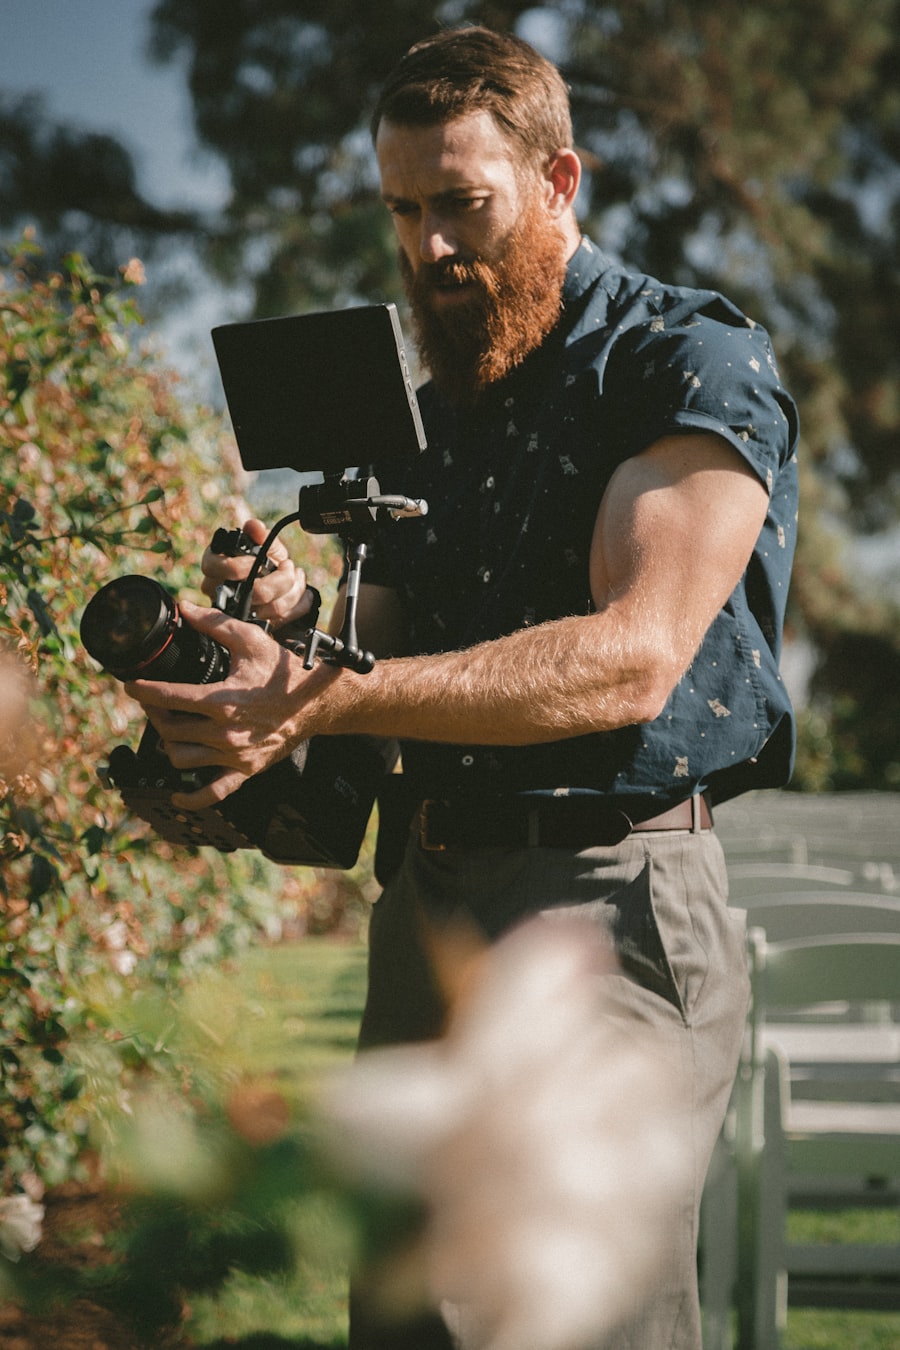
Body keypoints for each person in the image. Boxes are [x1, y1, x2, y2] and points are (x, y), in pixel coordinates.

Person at [129, 25, 799, 1349]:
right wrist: (290, 628)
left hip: (606, 902)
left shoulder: (683, 359)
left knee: (562, 1317)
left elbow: (632, 652)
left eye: (460, 203)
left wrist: (322, 695)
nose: (428, 246)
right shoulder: (448, 398)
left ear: (561, 182)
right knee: (406, 1315)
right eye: (401, 210)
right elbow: (400, 639)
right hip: (425, 894)